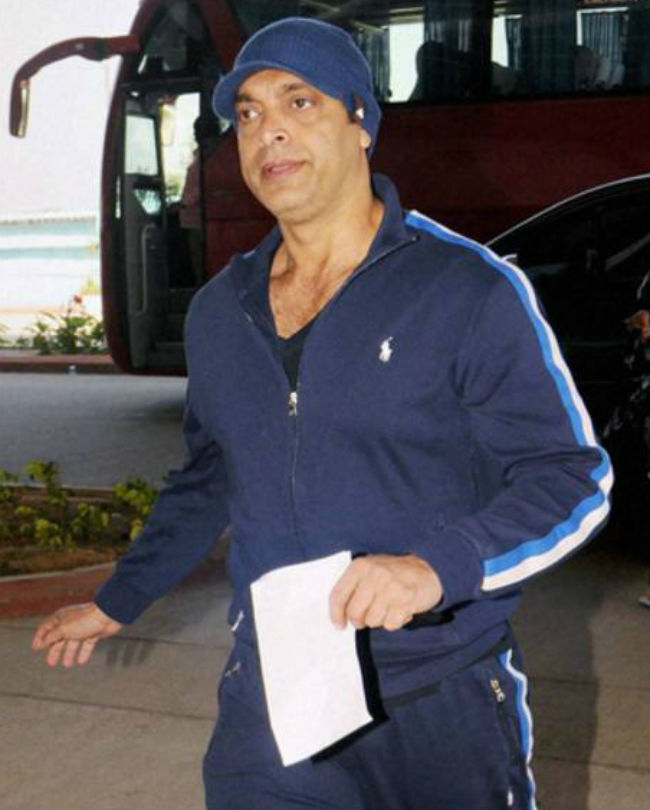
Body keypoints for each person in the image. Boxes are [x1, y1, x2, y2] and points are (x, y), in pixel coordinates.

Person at [32, 17, 613, 810]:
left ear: (360, 122)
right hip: (278, 689)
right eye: (248, 114)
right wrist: (117, 599)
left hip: (437, 691)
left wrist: (436, 567)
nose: (268, 130)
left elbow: (572, 479)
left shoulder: (465, 289)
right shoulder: (219, 312)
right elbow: (208, 476)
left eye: (299, 102)